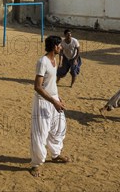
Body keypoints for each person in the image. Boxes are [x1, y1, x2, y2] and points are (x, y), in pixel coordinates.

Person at [30, 35, 71, 177]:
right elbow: (38, 87)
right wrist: (53, 101)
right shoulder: (43, 62)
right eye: (59, 45)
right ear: (54, 46)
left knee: (59, 128)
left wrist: (57, 97)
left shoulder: (54, 61)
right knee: (40, 133)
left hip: (54, 99)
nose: (61, 47)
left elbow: (51, 83)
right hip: (43, 102)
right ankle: (36, 164)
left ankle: (55, 154)